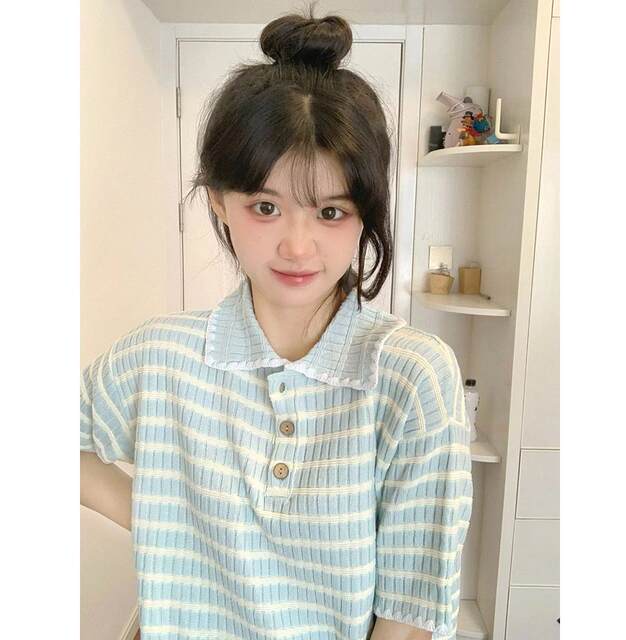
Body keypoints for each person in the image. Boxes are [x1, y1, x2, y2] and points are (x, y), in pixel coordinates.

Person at [80, 4, 473, 639]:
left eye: (330, 212)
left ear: (366, 214)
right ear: (219, 202)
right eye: (265, 207)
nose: (296, 246)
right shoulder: (160, 356)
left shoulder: (411, 376)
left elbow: (410, 611)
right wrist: (162, 519)